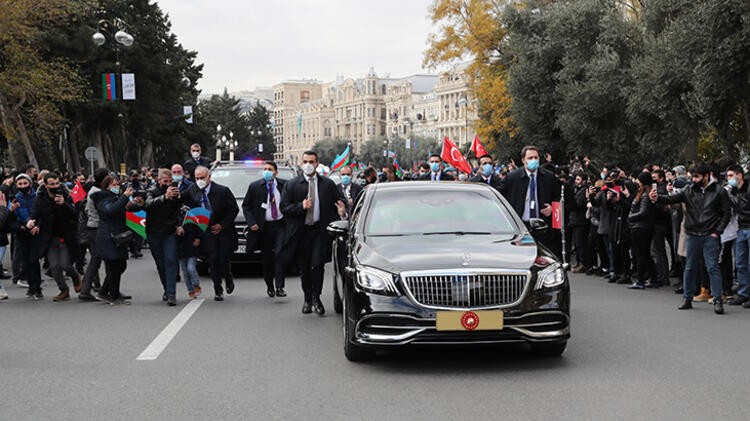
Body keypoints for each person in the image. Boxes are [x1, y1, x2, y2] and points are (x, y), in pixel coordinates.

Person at [650, 163, 731, 314]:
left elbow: (726, 213)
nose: (694, 180)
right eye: (692, 176)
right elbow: (672, 198)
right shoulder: (688, 190)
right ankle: (687, 298)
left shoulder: (719, 191)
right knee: (690, 267)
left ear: (706, 176)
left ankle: (718, 300)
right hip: (692, 233)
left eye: (697, 177)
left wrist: (717, 231)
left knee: (712, 267)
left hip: (709, 235)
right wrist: (657, 198)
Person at [280, 151, 347, 315]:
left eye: (311, 161)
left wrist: (342, 211)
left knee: (317, 265)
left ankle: (317, 298)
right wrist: (300, 207)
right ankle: (307, 299)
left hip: (319, 231)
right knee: (304, 267)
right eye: (305, 161)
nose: (308, 164)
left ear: (317, 164)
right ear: (301, 164)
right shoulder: (293, 184)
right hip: (301, 231)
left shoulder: (327, 184)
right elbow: (284, 208)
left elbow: (340, 202)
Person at [26, 172, 81, 302]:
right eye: (52, 184)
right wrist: (30, 221)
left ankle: (75, 276)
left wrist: (64, 204)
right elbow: (34, 213)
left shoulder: (65, 195)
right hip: (49, 238)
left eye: (57, 183)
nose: (55, 186)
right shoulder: (40, 199)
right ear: (45, 185)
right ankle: (63, 290)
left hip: (66, 237)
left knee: (66, 265)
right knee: (54, 266)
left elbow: (75, 214)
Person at [186, 166, 238, 301]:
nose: (199, 181)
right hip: (206, 231)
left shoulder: (222, 191)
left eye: (202, 178)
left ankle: (228, 276)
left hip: (223, 231)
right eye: (197, 178)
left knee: (223, 259)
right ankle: (218, 289)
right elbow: (190, 211)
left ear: (209, 177)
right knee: (213, 260)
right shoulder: (192, 191)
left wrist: (222, 225)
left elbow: (233, 209)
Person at [499, 145, 560, 256]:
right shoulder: (512, 178)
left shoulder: (548, 177)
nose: (534, 160)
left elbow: (558, 197)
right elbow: (500, 197)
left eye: (536, 158)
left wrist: (552, 208)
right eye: (530, 158)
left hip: (542, 226)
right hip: (521, 226)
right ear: (523, 160)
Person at [242, 161, 287, 297]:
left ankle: (280, 287)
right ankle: (270, 286)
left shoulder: (285, 185)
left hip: (280, 225)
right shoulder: (255, 186)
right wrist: (252, 222)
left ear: (276, 172)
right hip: (264, 227)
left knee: (279, 254)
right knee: (267, 258)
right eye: (265, 169)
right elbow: (246, 206)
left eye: (270, 169)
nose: (267, 171)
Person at [92, 175, 139, 305]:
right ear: (106, 186)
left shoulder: (115, 198)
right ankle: (113, 296)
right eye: (113, 185)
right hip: (108, 237)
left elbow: (124, 208)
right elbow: (111, 211)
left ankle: (105, 292)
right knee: (114, 266)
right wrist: (124, 197)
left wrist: (135, 203)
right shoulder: (102, 198)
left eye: (117, 184)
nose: (116, 187)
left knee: (120, 264)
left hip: (117, 236)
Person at [143, 168, 183, 306]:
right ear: (159, 181)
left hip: (169, 232)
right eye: (165, 181)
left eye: (170, 181)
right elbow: (148, 204)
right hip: (154, 233)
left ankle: (172, 293)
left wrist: (178, 224)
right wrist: (164, 197)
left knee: (171, 260)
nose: (168, 184)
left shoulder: (175, 192)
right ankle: (167, 289)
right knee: (161, 264)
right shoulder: (151, 191)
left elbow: (178, 211)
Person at [78, 168, 110, 301]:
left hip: (93, 228)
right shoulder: (97, 193)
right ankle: (87, 290)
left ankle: (89, 288)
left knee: (96, 260)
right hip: (96, 228)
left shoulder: (93, 191)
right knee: (98, 259)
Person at [10, 174, 39, 298]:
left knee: (34, 260)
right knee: (26, 261)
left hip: (35, 232)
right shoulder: (15, 199)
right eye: (20, 184)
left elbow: (42, 213)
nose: (22, 186)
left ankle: (37, 287)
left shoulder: (37, 197)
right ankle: (31, 286)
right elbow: (11, 218)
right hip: (22, 233)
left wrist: (37, 224)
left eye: (25, 183)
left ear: (30, 184)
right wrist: (20, 225)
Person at [726, 165, 750, 307]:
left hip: (748, 226)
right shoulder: (734, 191)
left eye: (730, 175)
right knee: (740, 263)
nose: (728, 179)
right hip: (741, 228)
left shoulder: (747, 189)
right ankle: (743, 293)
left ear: (739, 175)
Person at [627, 172, 656, 290]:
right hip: (642, 226)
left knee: (640, 255)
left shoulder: (645, 195)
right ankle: (653, 278)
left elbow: (643, 212)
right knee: (645, 254)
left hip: (641, 227)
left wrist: (631, 217)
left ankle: (641, 280)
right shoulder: (644, 193)